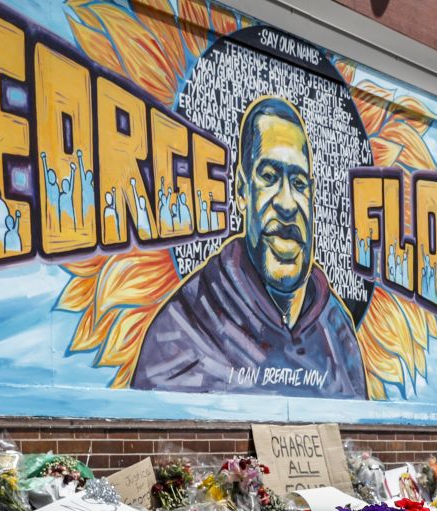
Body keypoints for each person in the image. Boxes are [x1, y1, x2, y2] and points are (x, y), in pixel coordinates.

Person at [131, 96, 366, 399]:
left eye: (298, 182)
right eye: (269, 177)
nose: (286, 203)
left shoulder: (337, 331)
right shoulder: (183, 328)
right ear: (242, 191)